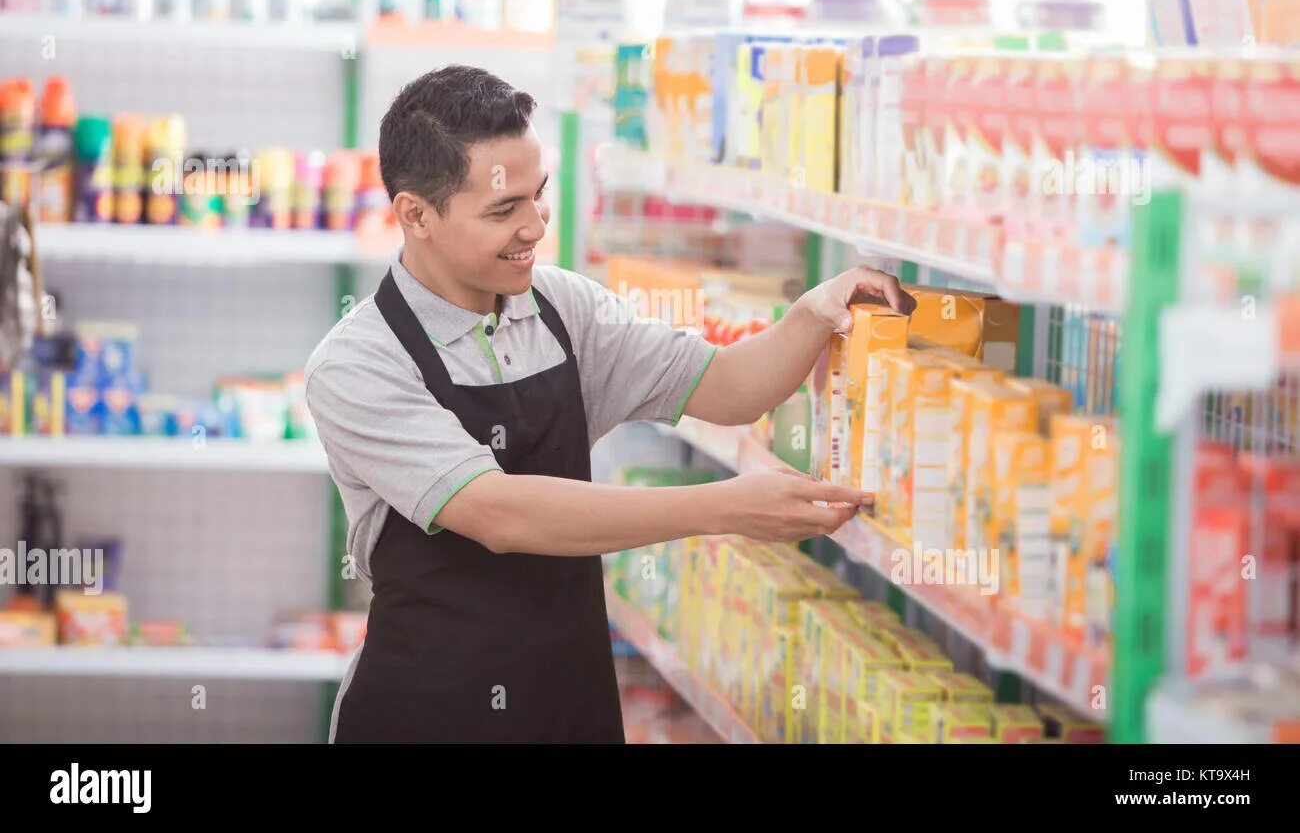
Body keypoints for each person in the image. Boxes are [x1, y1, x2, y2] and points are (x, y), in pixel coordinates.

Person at [305, 65, 915, 743]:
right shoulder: (359, 363)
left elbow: (727, 387)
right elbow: (497, 513)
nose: (535, 226)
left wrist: (813, 313)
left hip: (571, 704)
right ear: (415, 215)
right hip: (424, 714)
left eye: (538, 197)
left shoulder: (565, 310)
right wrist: (725, 506)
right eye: (503, 211)